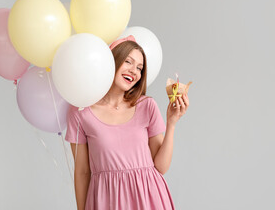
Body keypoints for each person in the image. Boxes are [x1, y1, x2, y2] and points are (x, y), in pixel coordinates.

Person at [65, 35, 189, 210]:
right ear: (112, 61)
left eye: (140, 68)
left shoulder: (147, 106)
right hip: (106, 201)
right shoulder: (80, 113)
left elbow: (161, 166)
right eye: (128, 62)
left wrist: (172, 123)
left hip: (149, 200)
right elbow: (82, 172)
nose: (134, 71)